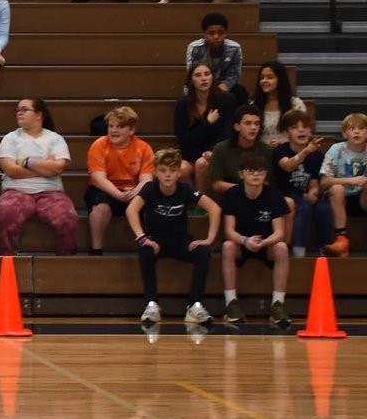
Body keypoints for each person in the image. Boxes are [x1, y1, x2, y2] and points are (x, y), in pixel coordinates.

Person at [126, 147, 220, 328]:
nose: (167, 175)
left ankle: (194, 305)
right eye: (163, 171)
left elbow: (214, 209)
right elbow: (131, 210)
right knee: (145, 251)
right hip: (156, 241)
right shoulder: (150, 188)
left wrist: (209, 239)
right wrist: (142, 238)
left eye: (172, 171)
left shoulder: (185, 189)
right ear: (155, 173)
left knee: (203, 253)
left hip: (180, 241)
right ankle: (152, 304)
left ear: (179, 173)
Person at [0, 97, 78, 255]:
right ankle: (7, 261)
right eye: (17, 110)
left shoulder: (55, 139)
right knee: (7, 212)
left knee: (67, 217)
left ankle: (66, 263)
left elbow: (58, 167)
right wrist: (45, 166)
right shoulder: (10, 138)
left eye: (24, 109)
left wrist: (26, 161)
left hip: (51, 192)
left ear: (39, 114)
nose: (19, 113)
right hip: (15, 190)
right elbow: (11, 170)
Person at [219, 153, 292, 328]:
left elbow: (280, 232)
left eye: (260, 171)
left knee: (281, 247)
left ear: (265, 174)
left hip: (265, 244)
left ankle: (278, 305)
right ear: (241, 174)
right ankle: (231, 304)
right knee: (227, 246)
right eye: (250, 171)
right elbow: (229, 231)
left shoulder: (273, 195)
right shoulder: (232, 195)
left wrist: (265, 242)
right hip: (241, 243)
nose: (256, 175)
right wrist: (245, 241)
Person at [85, 105, 154, 254]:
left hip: (133, 190)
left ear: (131, 130)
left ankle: (149, 249)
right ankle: (96, 250)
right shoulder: (98, 145)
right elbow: (98, 179)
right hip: (105, 190)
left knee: (151, 201)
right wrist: (119, 195)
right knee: (101, 208)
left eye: (120, 126)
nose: (114, 130)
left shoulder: (144, 148)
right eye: (111, 126)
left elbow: (147, 179)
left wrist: (135, 192)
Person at [274, 108, 331, 258]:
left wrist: (313, 191)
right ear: (286, 133)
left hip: (305, 193)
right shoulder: (280, 150)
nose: (301, 130)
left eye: (305, 127)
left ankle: (326, 248)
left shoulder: (317, 155)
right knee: (303, 208)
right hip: (286, 193)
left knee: (324, 208)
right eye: (295, 127)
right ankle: (299, 250)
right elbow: (288, 166)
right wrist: (305, 151)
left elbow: (313, 179)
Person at [173, 62, 233, 188]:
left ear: (213, 77)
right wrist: (207, 123)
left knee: (201, 164)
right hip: (190, 154)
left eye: (207, 74)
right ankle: (195, 201)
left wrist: (212, 151)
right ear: (191, 80)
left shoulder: (225, 100)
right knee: (181, 170)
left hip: (216, 152)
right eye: (198, 75)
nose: (204, 78)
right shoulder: (182, 105)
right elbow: (184, 139)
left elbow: (227, 132)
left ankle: (203, 205)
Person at [319, 112, 367, 258]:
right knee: (337, 188)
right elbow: (324, 182)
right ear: (345, 133)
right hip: (339, 198)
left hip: (362, 198)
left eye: (361, 128)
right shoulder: (336, 149)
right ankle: (341, 238)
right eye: (352, 128)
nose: (357, 131)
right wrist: (349, 181)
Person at [206, 104, 273, 198]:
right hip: (229, 197)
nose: (253, 128)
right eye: (248, 123)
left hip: (258, 197)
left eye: (257, 124)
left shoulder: (266, 150)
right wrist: (245, 188)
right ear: (237, 127)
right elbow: (216, 185)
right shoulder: (221, 148)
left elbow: (268, 183)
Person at [184, 12, 246, 105]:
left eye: (220, 33)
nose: (216, 37)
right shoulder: (194, 47)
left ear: (226, 33)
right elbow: (192, 73)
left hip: (224, 86)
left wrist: (223, 87)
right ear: (204, 34)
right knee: (188, 92)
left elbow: (234, 74)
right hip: (201, 84)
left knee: (241, 92)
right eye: (211, 33)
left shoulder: (234, 48)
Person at [253, 61, 305, 147]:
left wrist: (283, 146)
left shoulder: (295, 104)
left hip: (289, 152)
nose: (264, 81)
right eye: (262, 78)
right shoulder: (254, 105)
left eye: (270, 77)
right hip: (261, 154)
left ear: (280, 80)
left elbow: (301, 132)